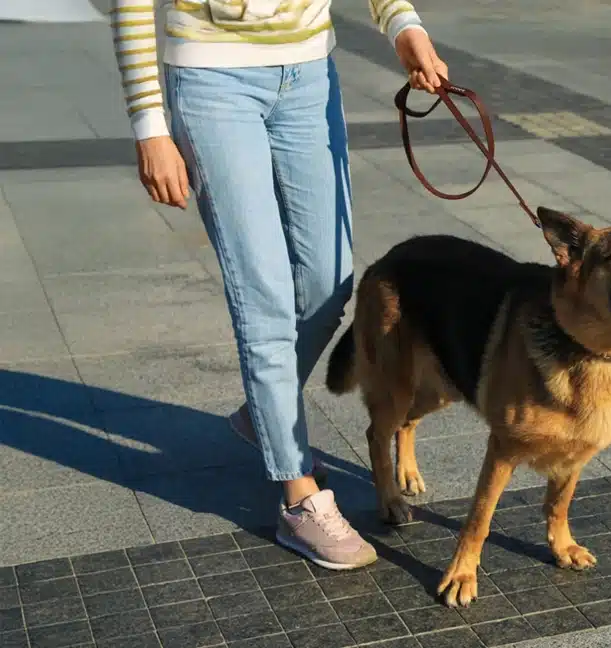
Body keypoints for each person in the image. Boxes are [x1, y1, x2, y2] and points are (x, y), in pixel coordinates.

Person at [109, 0, 448, 570]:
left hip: (309, 74)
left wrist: (402, 24)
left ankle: (259, 414)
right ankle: (299, 499)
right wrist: (150, 126)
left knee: (329, 284)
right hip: (211, 76)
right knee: (261, 291)